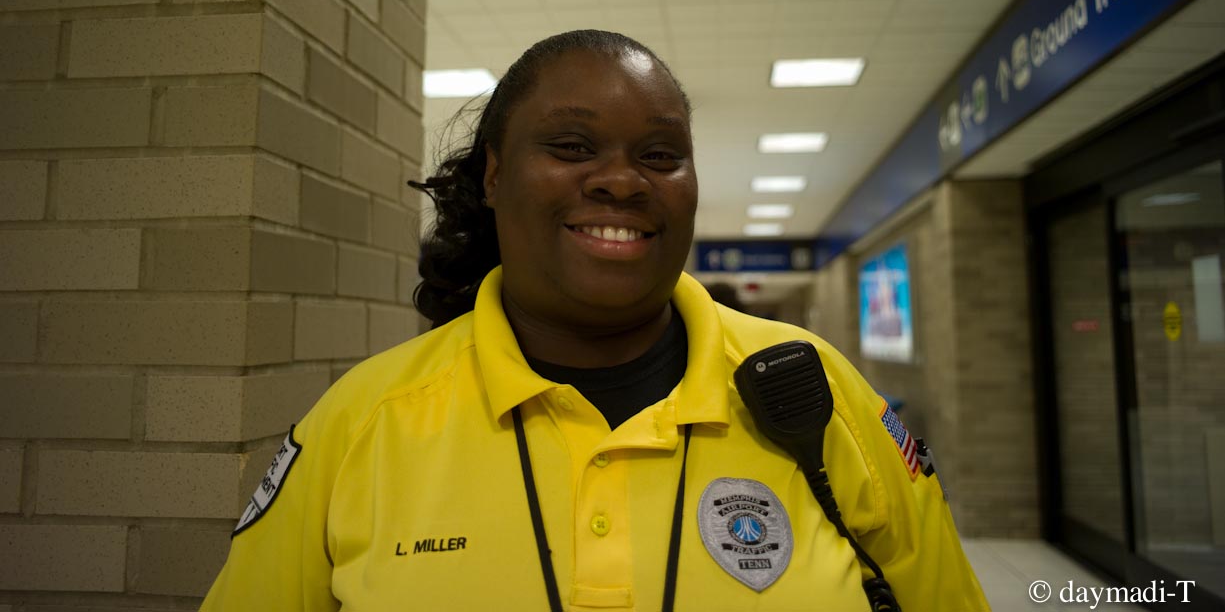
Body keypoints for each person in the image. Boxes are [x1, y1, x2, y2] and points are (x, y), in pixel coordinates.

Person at [201, 30, 989, 611]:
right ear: (495, 175)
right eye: (573, 146)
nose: (622, 181)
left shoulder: (815, 390)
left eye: (659, 155)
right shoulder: (362, 421)